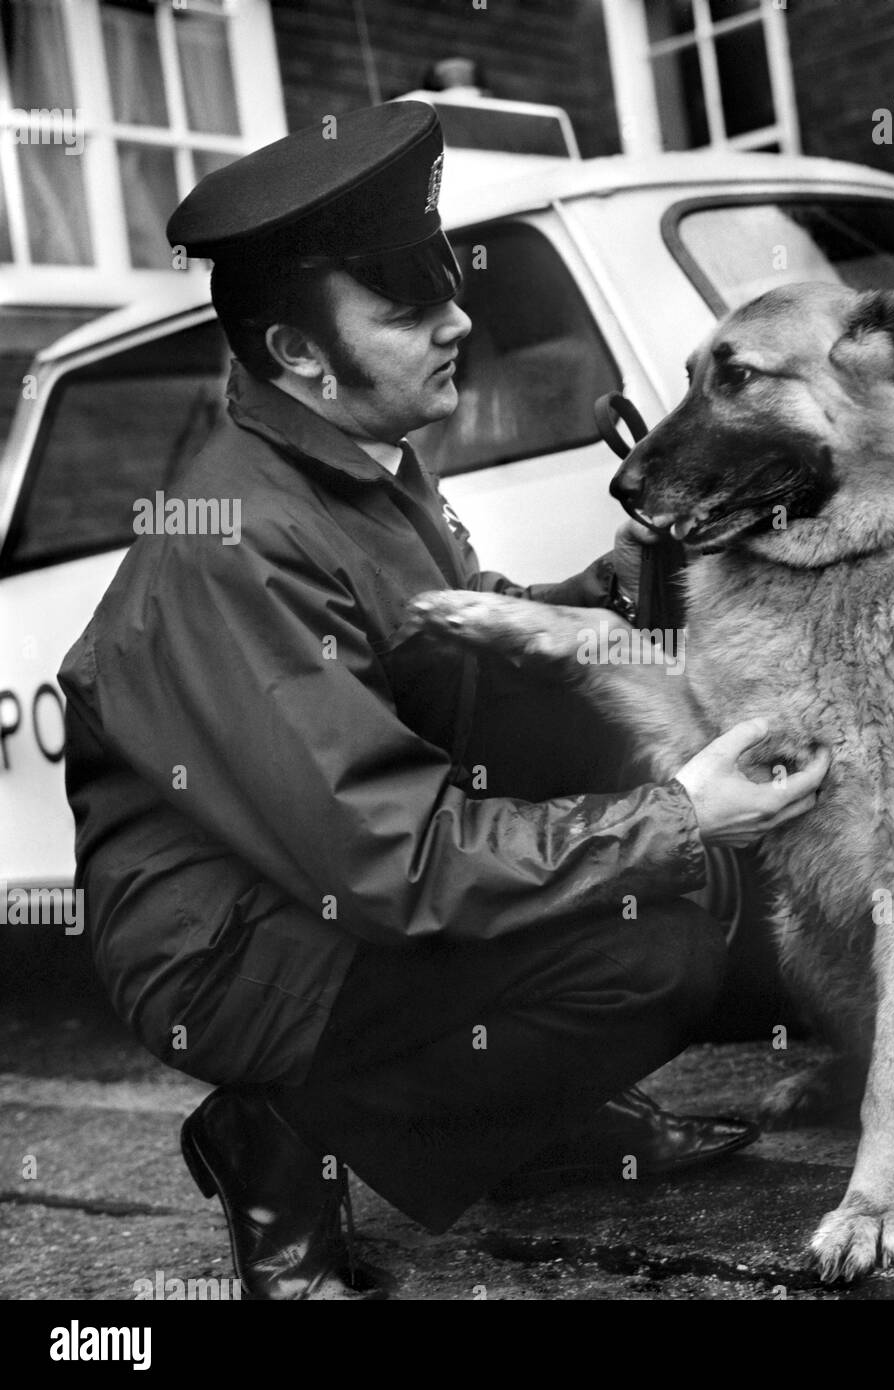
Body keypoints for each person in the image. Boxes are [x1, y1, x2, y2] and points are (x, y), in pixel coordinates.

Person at [57, 101, 828, 1301]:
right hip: (232, 949)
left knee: (682, 885)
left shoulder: (363, 464)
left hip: (330, 887)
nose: (457, 316)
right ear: (298, 357)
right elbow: (396, 861)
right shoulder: (237, 542)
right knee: (661, 944)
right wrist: (680, 810)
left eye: (440, 279)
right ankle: (274, 1130)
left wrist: (615, 584)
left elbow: (459, 645)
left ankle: (522, 1125)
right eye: (406, 302)